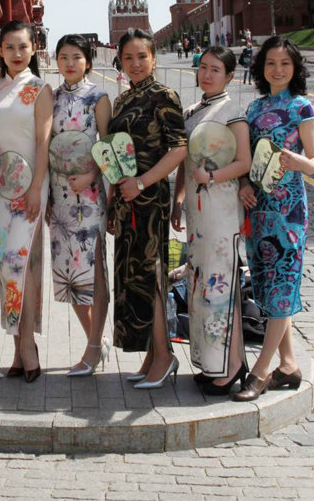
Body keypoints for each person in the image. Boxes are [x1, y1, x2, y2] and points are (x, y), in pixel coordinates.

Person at [235, 36, 314, 401]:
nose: (277, 70)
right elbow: (246, 160)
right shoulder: (253, 109)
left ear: (295, 68)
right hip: (258, 210)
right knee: (268, 287)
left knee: (283, 286)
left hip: (288, 213)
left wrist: (298, 162)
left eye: (284, 63)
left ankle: (260, 371)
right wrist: (243, 186)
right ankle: (288, 365)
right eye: (270, 63)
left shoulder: (303, 108)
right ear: (260, 67)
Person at [107, 28, 187, 389]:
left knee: (152, 274)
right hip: (125, 201)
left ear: (154, 58)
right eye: (128, 57)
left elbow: (179, 149)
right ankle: (152, 355)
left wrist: (142, 182)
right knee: (132, 278)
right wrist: (114, 200)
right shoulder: (122, 100)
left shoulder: (163, 96)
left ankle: (165, 355)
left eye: (142, 56)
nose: (136, 63)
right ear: (120, 61)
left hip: (149, 199)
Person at [172, 46, 252, 393]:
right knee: (201, 286)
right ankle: (211, 361)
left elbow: (244, 162)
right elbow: (183, 161)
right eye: (203, 67)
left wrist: (213, 179)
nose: (207, 74)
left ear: (230, 76)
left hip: (220, 211)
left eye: (215, 69)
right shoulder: (192, 111)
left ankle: (232, 366)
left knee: (222, 286)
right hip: (197, 214)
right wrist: (178, 199)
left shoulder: (231, 111)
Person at [0, 20, 53, 382]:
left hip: (30, 190)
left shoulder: (40, 89)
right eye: (9, 47)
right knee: (5, 270)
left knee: (24, 266)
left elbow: (43, 142)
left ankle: (28, 345)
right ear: (1, 51)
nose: (17, 54)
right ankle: (16, 347)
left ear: (33, 49)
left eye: (23, 47)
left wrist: (38, 187)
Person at [49, 34, 112, 375]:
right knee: (69, 276)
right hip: (59, 199)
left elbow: (110, 146)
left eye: (76, 56)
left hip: (89, 198)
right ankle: (95, 342)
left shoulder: (98, 97)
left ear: (87, 60)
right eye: (63, 57)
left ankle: (91, 348)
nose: (70, 63)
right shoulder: (52, 97)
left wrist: (91, 177)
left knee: (93, 272)